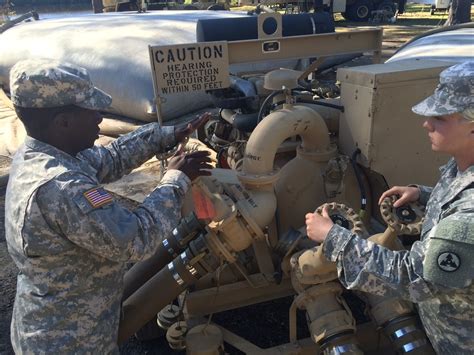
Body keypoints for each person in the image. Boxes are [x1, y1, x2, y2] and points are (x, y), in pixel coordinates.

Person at [5, 59, 213, 353]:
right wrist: (175, 179)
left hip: (61, 323)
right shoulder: (61, 188)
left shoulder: (44, 153)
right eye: (92, 111)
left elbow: (109, 158)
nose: (100, 119)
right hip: (69, 342)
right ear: (62, 122)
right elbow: (138, 239)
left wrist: (165, 135)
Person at [305, 60, 474, 354]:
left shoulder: (468, 218)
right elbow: (458, 196)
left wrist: (334, 238)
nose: (427, 123)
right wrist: (423, 195)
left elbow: (413, 278)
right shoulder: (461, 165)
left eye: (441, 117)